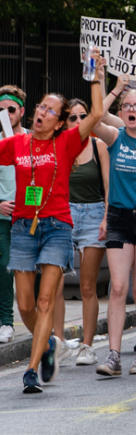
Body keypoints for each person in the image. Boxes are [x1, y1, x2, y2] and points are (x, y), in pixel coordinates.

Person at [0, 51, 106, 394]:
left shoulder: (68, 142)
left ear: (61, 122)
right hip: (22, 227)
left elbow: (99, 113)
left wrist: (96, 76)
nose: (42, 113)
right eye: (41, 107)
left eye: (50, 110)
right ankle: (46, 342)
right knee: (26, 304)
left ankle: (32, 371)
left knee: (46, 301)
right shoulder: (17, 144)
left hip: (58, 226)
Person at [91, 85, 136, 376]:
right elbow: (95, 120)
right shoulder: (115, 137)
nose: (131, 110)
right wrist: (108, 87)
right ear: (121, 113)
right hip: (120, 217)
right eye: (126, 106)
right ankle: (113, 355)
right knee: (118, 287)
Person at [64, 98, 107, 366]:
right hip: (63, 215)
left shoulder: (98, 145)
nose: (78, 122)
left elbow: (107, 185)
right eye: (72, 117)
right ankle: (57, 340)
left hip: (93, 215)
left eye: (83, 116)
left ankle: (87, 345)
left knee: (87, 285)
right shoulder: (59, 148)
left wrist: (106, 218)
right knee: (53, 283)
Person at [0, 85, 27, 346]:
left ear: (21, 111)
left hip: (30, 218)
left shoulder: (31, 139)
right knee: (5, 267)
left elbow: (38, 177)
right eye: (1, 109)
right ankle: (6, 321)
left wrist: (28, 205)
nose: (6, 114)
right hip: (2, 217)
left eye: (11, 109)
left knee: (32, 271)